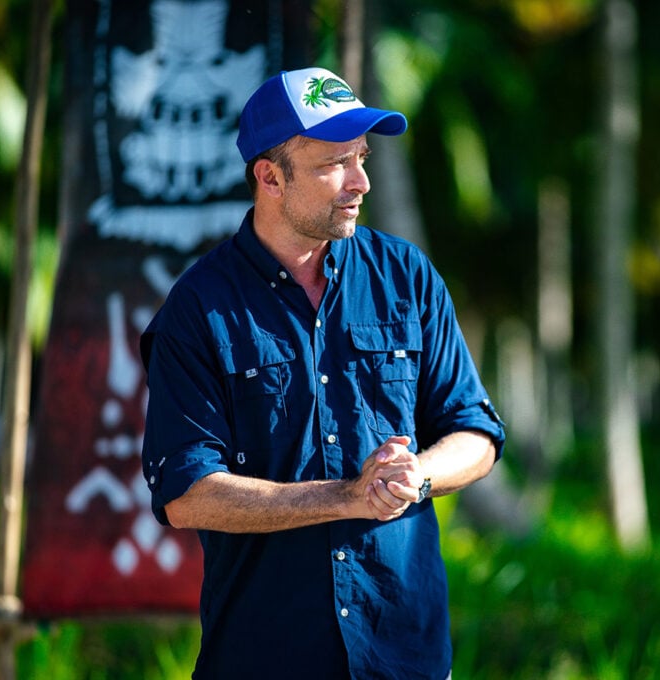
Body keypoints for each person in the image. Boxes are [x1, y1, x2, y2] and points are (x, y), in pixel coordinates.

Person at [140, 66, 506, 680]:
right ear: (270, 177)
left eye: (361, 158)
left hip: (405, 657)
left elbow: (476, 433)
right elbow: (186, 493)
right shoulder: (198, 308)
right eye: (335, 164)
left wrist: (414, 477)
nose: (361, 181)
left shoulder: (408, 277)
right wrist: (345, 496)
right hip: (265, 659)